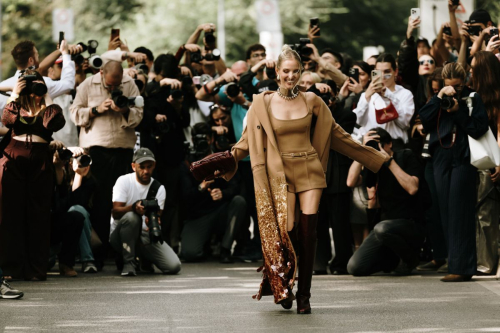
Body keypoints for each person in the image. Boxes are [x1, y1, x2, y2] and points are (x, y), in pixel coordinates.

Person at [199, 45, 389, 314]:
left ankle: (305, 295)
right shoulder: (261, 103)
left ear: (301, 72)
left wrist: (375, 158)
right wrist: (220, 162)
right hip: (279, 173)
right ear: (277, 72)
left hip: (310, 169)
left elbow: (338, 136)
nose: (290, 76)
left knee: (308, 231)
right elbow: (245, 142)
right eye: (285, 71)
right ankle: (284, 283)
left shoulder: (313, 101)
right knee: (287, 230)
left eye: (295, 71)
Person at [419, 62, 489, 282]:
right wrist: (440, 96)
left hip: (463, 157)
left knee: (460, 210)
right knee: (445, 210)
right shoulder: (439, 97)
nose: (454, 91)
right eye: (450, 86)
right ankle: (454, 262)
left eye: (458, 86)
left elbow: (479, 128)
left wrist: (458, 111)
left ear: (465, 81)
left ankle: (462, 268)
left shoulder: (472, 98)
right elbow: (424, 119)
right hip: (440, 157)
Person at [70, 60, 143, 269]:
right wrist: (95, 109)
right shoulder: (87, 85)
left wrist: (124, 111)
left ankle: (124, 257)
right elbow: (74, 113)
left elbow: (139, 114)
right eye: (110, 85)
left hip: (122, 149)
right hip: (97, 150)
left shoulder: (129, 84)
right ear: (101, 73)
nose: (113, 88)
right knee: (100, 203)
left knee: (123, 200)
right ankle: (98, 255)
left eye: (117, 84)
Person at [0, 68, 65, 281]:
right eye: (30, 84)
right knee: (11, 214)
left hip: (39, 161)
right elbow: (7, 120)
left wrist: (45, 93)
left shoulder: (46, 108)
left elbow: (55, 122)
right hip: (13, 160)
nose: (33, 89)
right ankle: (11, 269)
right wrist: (15, 93)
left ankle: (36, 269)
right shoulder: (15, 105)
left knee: (39, 214)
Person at [346, 128, 426, 276]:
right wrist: (361, 151)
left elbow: (413, 188)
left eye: (380, 145)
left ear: (389, 144)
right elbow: (351, 182)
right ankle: (392, 262)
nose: (377, 149)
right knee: (354, 267)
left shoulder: (406, 156)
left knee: (382, 228)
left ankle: (411, 259)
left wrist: (389, 162)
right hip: (383, 229)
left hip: (410, 224)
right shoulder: (374, 165)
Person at [180, 123, 246, 263]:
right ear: (192, 139)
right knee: (190, 253)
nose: (202, 142)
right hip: (199, 215)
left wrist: (223, 193)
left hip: (220, 210)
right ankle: (208, 243)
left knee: (239, 202)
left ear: (210, 139)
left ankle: (225, 248)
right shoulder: (187, 162)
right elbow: (183, 198)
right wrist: (201, 188)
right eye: (197, 139)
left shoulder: (221, 157)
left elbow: (236, 186)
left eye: (204, 138)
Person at [111, 148, 181, 276]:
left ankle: (145, 258)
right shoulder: (124, 181)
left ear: (154, 165)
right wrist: (133, 208)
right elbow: (115, 212)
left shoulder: (159, 188)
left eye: (149, 167)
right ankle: (129, 263)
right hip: (120, 235)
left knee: (174, 266)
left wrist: (153, 220)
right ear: (133, 166)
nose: (146, 171)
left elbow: (157, 217)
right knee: (133, 218)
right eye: (141, 167)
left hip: (145, 235)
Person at [471, 51, 500, 274]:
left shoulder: (489, 99)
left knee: (486, 214)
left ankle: (486, 263)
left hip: (490, 163)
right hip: (485, 161)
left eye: (474, 69)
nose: (470, 72)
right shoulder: (477, 97)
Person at [353, 53, 415, 147]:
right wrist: (366, 97)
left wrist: (387, 95)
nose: (382, 76)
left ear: (396, 72)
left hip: (395, 146)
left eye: (387, 72)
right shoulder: (367, 94)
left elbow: (404, 123)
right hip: (371, 145)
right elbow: (359, 121)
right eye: (378, 72)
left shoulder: (405, 94)